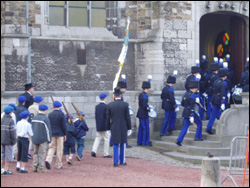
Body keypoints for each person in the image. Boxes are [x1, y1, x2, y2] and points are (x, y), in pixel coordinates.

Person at [106, 87, 132, 167]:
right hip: (123, 126)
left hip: (114, 126)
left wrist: (108, 128)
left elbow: (107, 118)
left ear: (114, 95)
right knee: (123, 144)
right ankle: (122, 161)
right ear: (121, 95)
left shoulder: (110, 105)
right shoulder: (125, 104)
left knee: (115, 144)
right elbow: (127, 117)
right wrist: (129, 127)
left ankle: (115, 162)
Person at [176, 81, 203, 146]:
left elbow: (182, 104)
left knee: (185, 127)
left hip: (185, 111)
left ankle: (179, 140)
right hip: (191, 112)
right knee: (199, 123)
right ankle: (197, 137)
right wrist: (192, 115)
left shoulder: (186, 94)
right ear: (194, 88)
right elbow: (192, 106)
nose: (196, 90)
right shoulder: (193, 96)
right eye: (196, 88)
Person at [45, 101, 67, 170]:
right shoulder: (61, 114)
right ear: (59, 107)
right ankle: (58, 164)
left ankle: (48, 160)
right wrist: (65, 133)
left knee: (51, 147)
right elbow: (63, 125)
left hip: (52, 133)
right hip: (60, 133)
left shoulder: (50, 114)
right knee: (59, 149)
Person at [206, 69, 228, 135]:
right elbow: (222, 93)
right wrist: (223, 102)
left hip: (214, 98)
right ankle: (224, 129)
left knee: (213, 114)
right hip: (219, 99)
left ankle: (209, 127)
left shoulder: (216, 81)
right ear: (224, 76)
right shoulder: (223, 83)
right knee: (223, 114)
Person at [31, 104, 52, 173]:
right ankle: (40, 167)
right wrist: (49, 140)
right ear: (45, 110)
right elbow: (48, 130)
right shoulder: (45, 118)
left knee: (35, 153)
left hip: (34, 137)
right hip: (42, 138)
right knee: (42, 153)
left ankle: (34, 166)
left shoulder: (34, 117)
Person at [91, 93, 112, 158]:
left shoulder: (97, 106)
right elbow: (108, 116)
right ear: (105, 98)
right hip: (105, 125)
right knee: (106, 139)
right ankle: (106, 153)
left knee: (98, 138)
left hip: (99, 124)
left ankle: (93, 150)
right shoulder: (107, 106)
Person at [137, 77, 152, 146]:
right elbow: (145, 105)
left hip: (140, 112)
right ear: (147, 88)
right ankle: (145, 142)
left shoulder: (140, 94)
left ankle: (139, 141)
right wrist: (149, 109)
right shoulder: (145, 95)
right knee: (145, 127)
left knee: (141, 127)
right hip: (144, 113)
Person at [1, 106, 16, 175]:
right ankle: (6, 169)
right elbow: (12, 132)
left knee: (2, 154)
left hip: (2, 139)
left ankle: (1, 168)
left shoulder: (1, 119)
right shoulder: (11, 120)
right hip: (8, 140)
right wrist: (13, 141)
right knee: (8, 155)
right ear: (10, 112)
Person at [199, 56, 210, 120]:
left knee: (202, 102)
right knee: (204, 102)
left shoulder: (200, 72)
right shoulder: (207, 73)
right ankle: (204, 115)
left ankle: (202, 116)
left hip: (201, 89)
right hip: (204, 89)